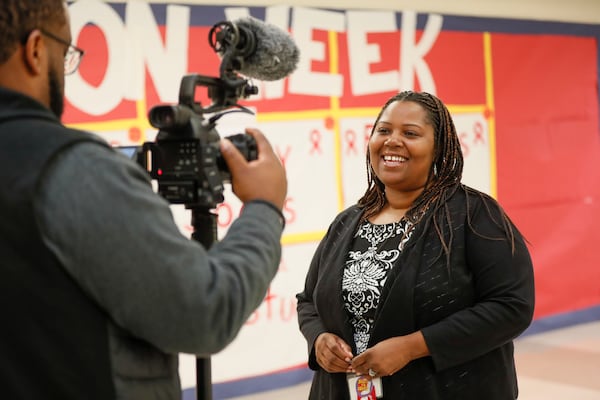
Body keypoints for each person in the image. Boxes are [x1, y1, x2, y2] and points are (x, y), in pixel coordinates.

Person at [0, 1, 287, 399]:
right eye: (65, 52)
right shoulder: (72, 169)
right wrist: (264, 208)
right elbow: (205, 313)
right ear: (34, 50)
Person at [296, 91, 535, 399]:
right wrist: (319, 339)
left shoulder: (474, 215)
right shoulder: (346, 223)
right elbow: (308, 301)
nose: (393, 141)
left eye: (410, 133)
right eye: (383, 130)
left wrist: (412, 347)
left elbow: (511, 306)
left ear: (437, 148)